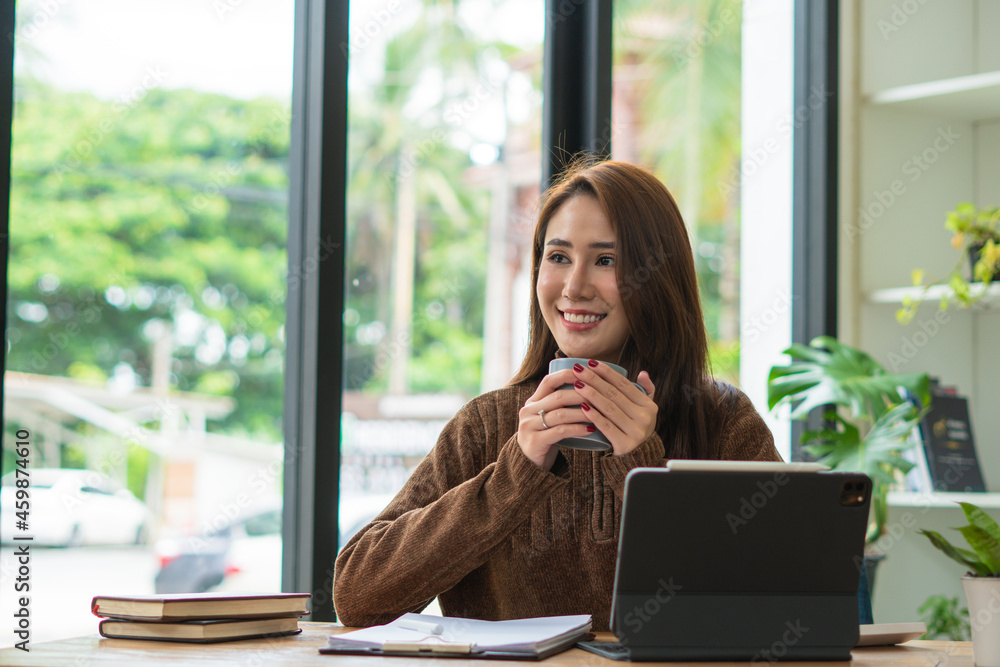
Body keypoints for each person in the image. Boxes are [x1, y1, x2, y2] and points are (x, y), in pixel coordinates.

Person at [334, 159, 781, 630]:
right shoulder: (486, 425)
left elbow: (783, 604)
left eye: (606, 260)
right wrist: (516, 474)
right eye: (559, 256)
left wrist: (642, 469)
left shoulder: (722, 420)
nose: (574, 287)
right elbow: (357, 597)